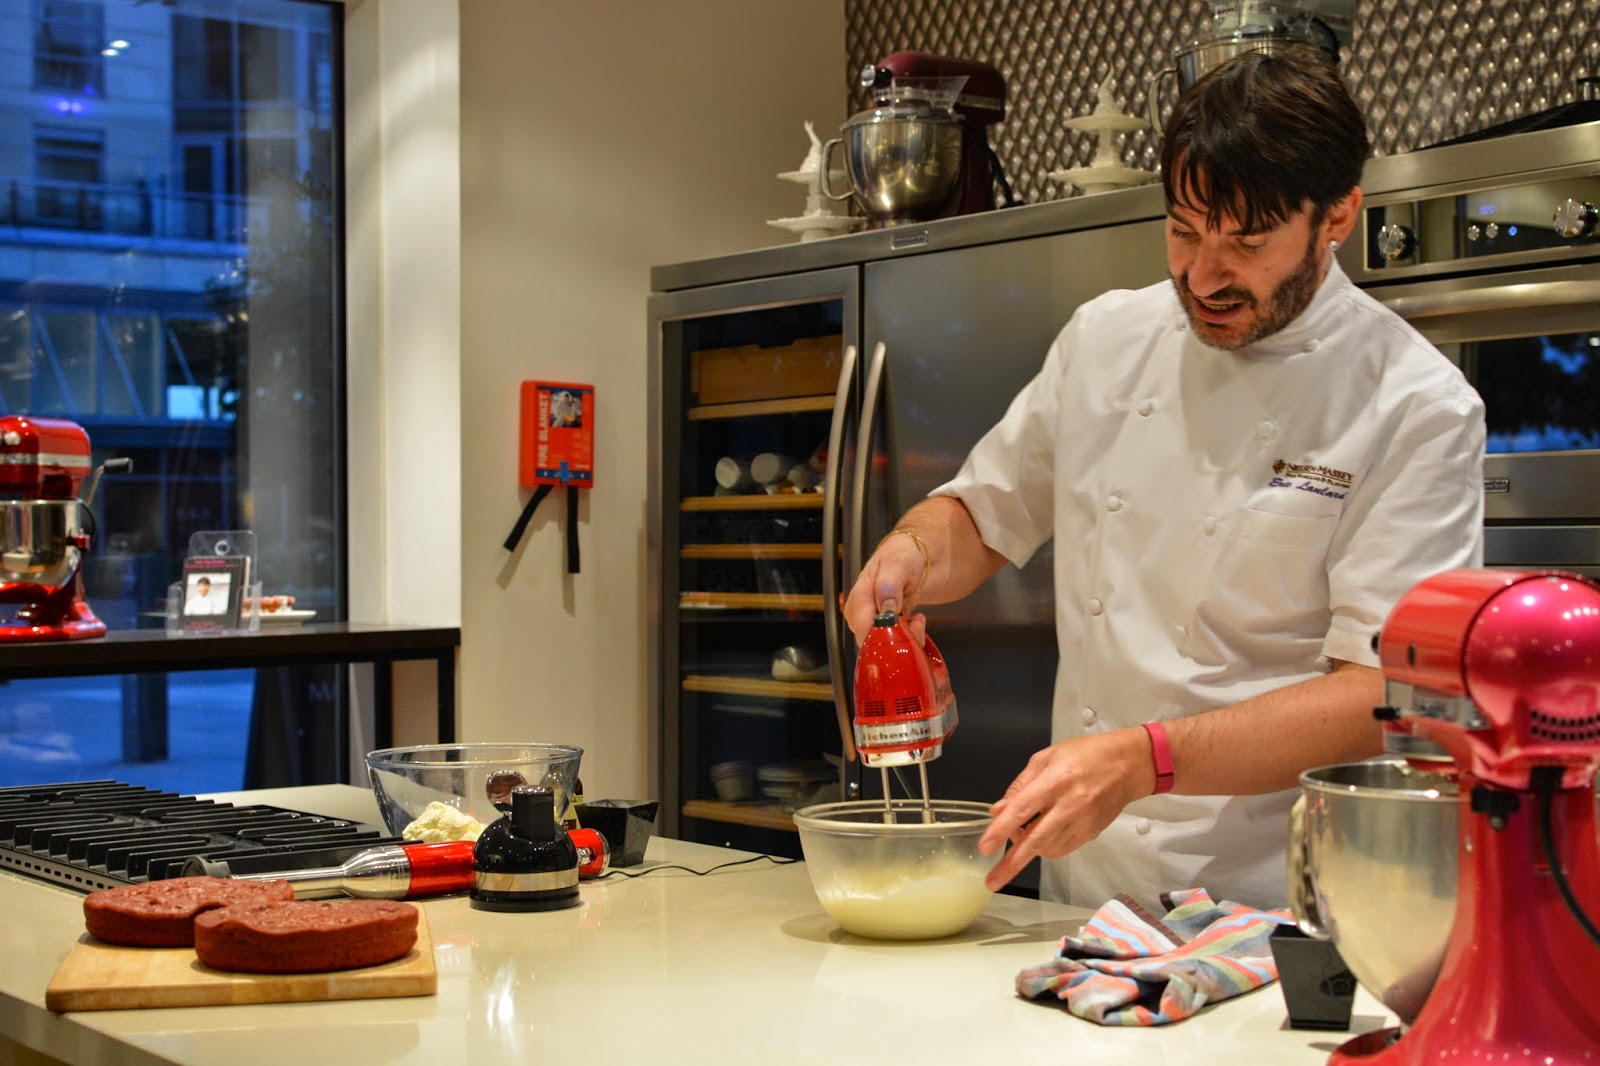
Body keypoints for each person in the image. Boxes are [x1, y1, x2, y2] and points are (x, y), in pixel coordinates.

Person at [841, 46, 1485, 910]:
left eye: (1246, 243)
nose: (1203, 275)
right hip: (1086, 890)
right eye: (1184, 232)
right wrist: (910, 551)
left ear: (1337, 217)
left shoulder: (1415, 405)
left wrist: (1147, 758)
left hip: (1278, 905)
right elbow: (984, 514)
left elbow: (1381, 694)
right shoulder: (1105, 339)